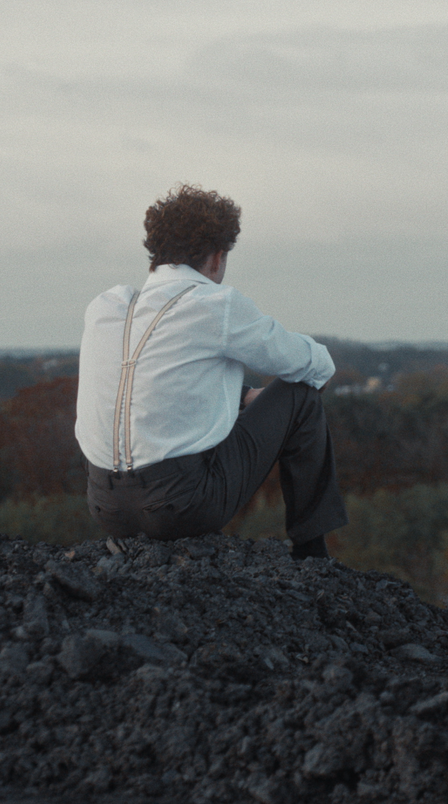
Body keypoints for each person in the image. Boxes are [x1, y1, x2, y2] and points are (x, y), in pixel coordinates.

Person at [74, 184, 347, 558]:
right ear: (217, 257)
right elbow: (315, 365)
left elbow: (149, 384)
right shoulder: (215, 304)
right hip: (182, 507)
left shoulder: (106, 306)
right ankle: (312, 553)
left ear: (157, 252)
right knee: (300, 394)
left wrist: (242, 396)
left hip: (106, 507)